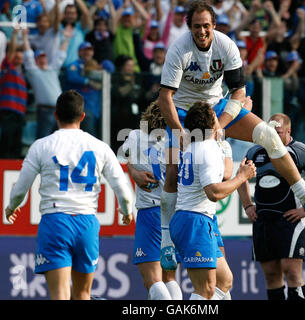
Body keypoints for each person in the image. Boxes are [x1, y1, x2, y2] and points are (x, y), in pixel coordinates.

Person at [158, 0, 305, 271]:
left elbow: (239, 92)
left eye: (206, 25)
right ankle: (166, 244)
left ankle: (304, 193)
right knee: (172, 170)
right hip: (184, 111)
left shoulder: (226, 45)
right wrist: (179, 132)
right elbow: (164, 98)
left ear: (214, 25)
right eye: (197, 26)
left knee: (268, 134)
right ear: (189, 27)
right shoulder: (179, 48)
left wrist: (221, 123)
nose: (202, 31)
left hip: (217, 107)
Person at [5, 90, 133, 300]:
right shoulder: (100, 147)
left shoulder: (41, 146)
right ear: (83, 116)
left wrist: (12, 206)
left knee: (60, 295)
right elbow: (123, 190)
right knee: (83, 294)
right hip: (86, 224)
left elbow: (21, 187)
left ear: (56, 115)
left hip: (55, 221)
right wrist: (127, 211)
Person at [237, 113, 305, 300]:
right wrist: (248, 205)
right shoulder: (255, 152)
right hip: (263, 221)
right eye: (270, 131)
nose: (273, 135)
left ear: (289, 131)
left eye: (278, 132)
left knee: (291, 271)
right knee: (271, 275)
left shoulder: (303, 152)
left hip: (289, 221)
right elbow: (240, 177)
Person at [169, 101, 256, 300]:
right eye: (216, 116)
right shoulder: (207, 149)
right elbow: (214, 192)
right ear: (211, 123)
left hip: (194, 219)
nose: (219, 119)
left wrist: (240, 109)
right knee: (205, 289)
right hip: (194, 221)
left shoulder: (195, 146)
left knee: (225, 281)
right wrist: (242, 176)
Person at [121, 100, 183, 300]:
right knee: (169, 277)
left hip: (151, 212)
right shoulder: (177, 141)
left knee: (152, 279)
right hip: (174, 213)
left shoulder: (135, 136)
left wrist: (134, 172)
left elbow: (124, 158)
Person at [23, 26, 71, 139]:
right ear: (36, 60)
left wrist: (67, 38)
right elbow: (28, 56)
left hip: (60, 110)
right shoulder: (33, 72)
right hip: (45, 110)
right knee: (43, 139)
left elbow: (61, 55)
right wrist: (25, 37)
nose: (42, 59)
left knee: (59, 141)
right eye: (39, 57)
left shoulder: (52, 69)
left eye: (44, 57)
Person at [0, 28, 27, 159]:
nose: (19, 59)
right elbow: (10, 52)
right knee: (7, 143)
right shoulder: (6, 68)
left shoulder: (22, 74)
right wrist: (15, 34)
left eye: (21, 58)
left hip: (19, 113)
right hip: (8, 112)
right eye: (16, 57)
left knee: (16, 145)